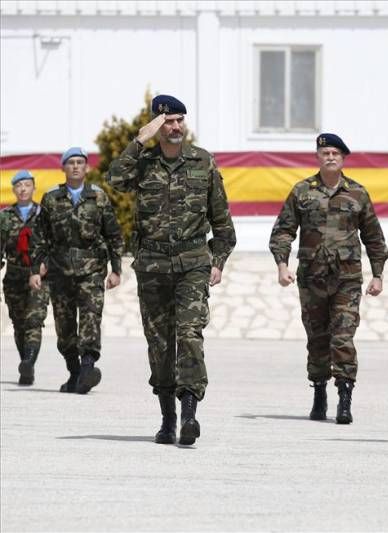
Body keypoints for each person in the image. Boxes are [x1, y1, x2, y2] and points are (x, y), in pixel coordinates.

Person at [107, 95, 237, 446]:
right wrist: (138, 140)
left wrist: (218, 260)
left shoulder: (203, 162)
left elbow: (222, 222)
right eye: (168, 121)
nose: (176, 127)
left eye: (180, 120)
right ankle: (167, 417)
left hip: (193, 263)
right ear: (156, 126)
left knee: (190, 335)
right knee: (160, 343)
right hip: (152, 267)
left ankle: (190, 414)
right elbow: (114, 179)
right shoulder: (143, 162)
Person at [269, 133, 388, 424]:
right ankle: (319, 391)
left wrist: (378, 275)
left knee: (343, 337)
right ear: (317, 157)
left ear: (344, 158)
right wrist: (282, 265)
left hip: (346, 279)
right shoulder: (302, 192)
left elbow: (373, 237)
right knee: (317, 339)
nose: (331, 157)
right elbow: (284, 231)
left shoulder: (357, 193)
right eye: (325, 153)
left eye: (335, 153)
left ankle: (345, 398)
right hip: (311, 279)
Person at [29, 147, 123, 394]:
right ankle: (75, 373)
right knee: (65, 327)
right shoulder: (51, 199)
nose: (75, 166)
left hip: (91, 270)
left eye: (80, 162)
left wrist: (116, 270)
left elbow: (113, 235)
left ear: (87, 167)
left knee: (91, 318)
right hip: (60, 271)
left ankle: (88, 367)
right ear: (63, 168)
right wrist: (35, 269)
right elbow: (39, 237)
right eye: (70, 162)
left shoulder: (99, 197)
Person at [0, 170, 49, 385]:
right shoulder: (5, 216)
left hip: (39, 274)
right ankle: (25, 366)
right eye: (18, 186)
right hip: (13, 276)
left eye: (26, 185)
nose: (22, 189)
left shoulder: (44, 214)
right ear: (14, 189)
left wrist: (46, 265)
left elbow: (52, 242)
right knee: (19, 323)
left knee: (34, 320)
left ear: (33, 188)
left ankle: (29, 361)